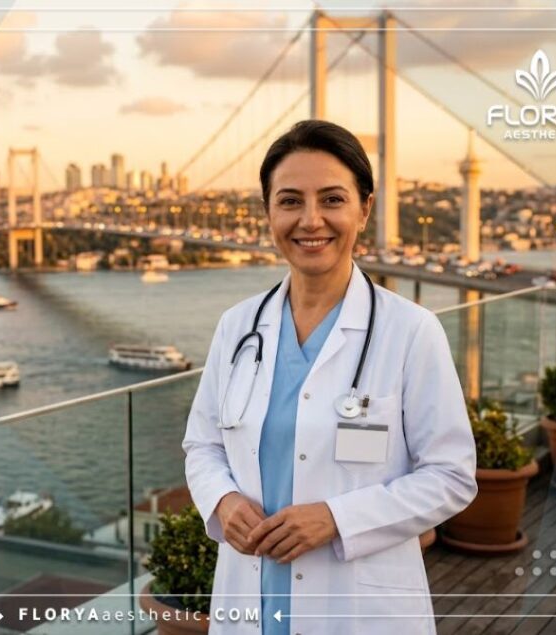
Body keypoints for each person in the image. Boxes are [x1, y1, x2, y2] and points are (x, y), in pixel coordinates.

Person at [182, 120, 477, 635]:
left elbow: (451, 477)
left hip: (360, 609)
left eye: (332, 200)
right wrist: (223, 502)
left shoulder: (411, 332)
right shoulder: (237, 327)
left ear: (364, 209)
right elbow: (202, 446)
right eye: (290, 201)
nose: (310, 220)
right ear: (269, 212)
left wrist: (337, 519)